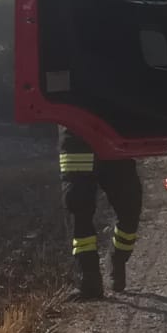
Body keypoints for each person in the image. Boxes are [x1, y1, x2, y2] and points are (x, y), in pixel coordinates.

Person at [59, 124, 140, 299]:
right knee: (77, 207)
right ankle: (89, 282)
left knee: (130, 207)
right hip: (77, 137)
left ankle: (118, 258)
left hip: (112, 132)